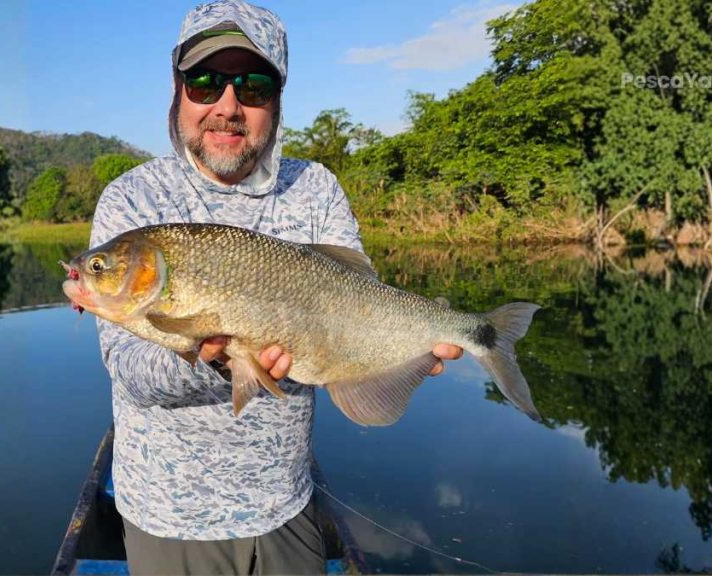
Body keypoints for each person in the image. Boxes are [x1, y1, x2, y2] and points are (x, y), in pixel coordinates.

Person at [88, 1, 461, 573]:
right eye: (206, 82)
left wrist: (402, 349)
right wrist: (207, 358)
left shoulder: (316, 188)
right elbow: (129, 370)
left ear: (278, 99)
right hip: (170, 520)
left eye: (253, 86)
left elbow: (361, 303)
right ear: (178, 90)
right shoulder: (133, 201)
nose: (228, 106)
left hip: (288, 504)